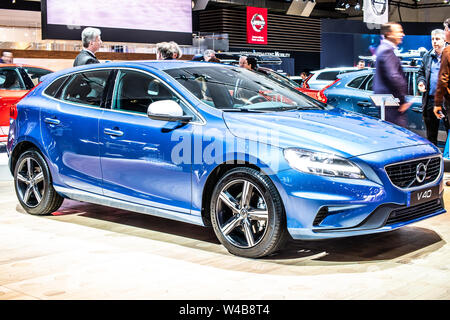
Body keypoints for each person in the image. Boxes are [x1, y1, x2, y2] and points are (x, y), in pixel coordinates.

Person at [373, 22, 411, 127]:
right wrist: (402, 100)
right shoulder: (387, 50)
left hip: (388, 103)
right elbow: (394, 76)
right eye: (399, 32)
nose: (402, 35)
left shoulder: (383, 49)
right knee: (398, 135)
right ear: (389, 34)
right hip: (392, 103)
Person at [417, 29, 448, 146]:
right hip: (430, 100)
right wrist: (421, 82)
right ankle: (434, 161)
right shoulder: (427, 56)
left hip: (447, 100)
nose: (434, 42)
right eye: (432, 39)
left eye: (437, 39)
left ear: (444, 40)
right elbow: (420, 73)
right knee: (431, 135)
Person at [434, 18, 450, 139]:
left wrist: (437, 103)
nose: (445, 33)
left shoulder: (447, 51)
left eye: (445, 29)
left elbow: (443, 78)